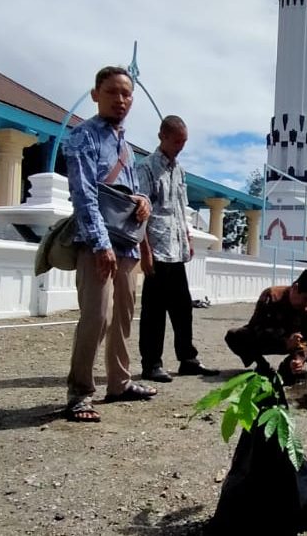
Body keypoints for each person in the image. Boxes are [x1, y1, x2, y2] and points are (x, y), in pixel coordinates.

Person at [62, 66, 157, 423]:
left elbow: (130, 192)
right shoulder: (82, 137)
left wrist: (143, 200)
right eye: (113, 92)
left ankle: (119, 382)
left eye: (127, 94)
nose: (121, 100)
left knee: (123, 316)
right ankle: (79, 392)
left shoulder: (126, 146)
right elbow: (84, 194)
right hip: (96, 242)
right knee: (96, 317)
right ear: (95, 94)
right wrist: (100, 244)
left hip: (127, 243)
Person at [136, 115, 219, 382]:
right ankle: (151, 363)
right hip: (157, 247)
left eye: (184, 142)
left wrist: (188, 237)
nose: (180, 146)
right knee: (154, 310)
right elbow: (138, 213)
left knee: (183, 307)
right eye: (177, 141)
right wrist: (144, 250)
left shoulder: (179, 170)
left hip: (176, 247)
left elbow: (181, 209)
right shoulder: (146, 168)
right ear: (162, 137)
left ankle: (187, 358)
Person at [224, 270, 307, 379]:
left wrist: (299, 359)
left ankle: (288, 368)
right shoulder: (271, 296)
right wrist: (284, 342)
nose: (306, 304)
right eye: (306, 298)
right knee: (235, 335)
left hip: (294, 343)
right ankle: (262, 365)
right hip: (268, 340)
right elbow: (256, 327)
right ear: (295, 288)